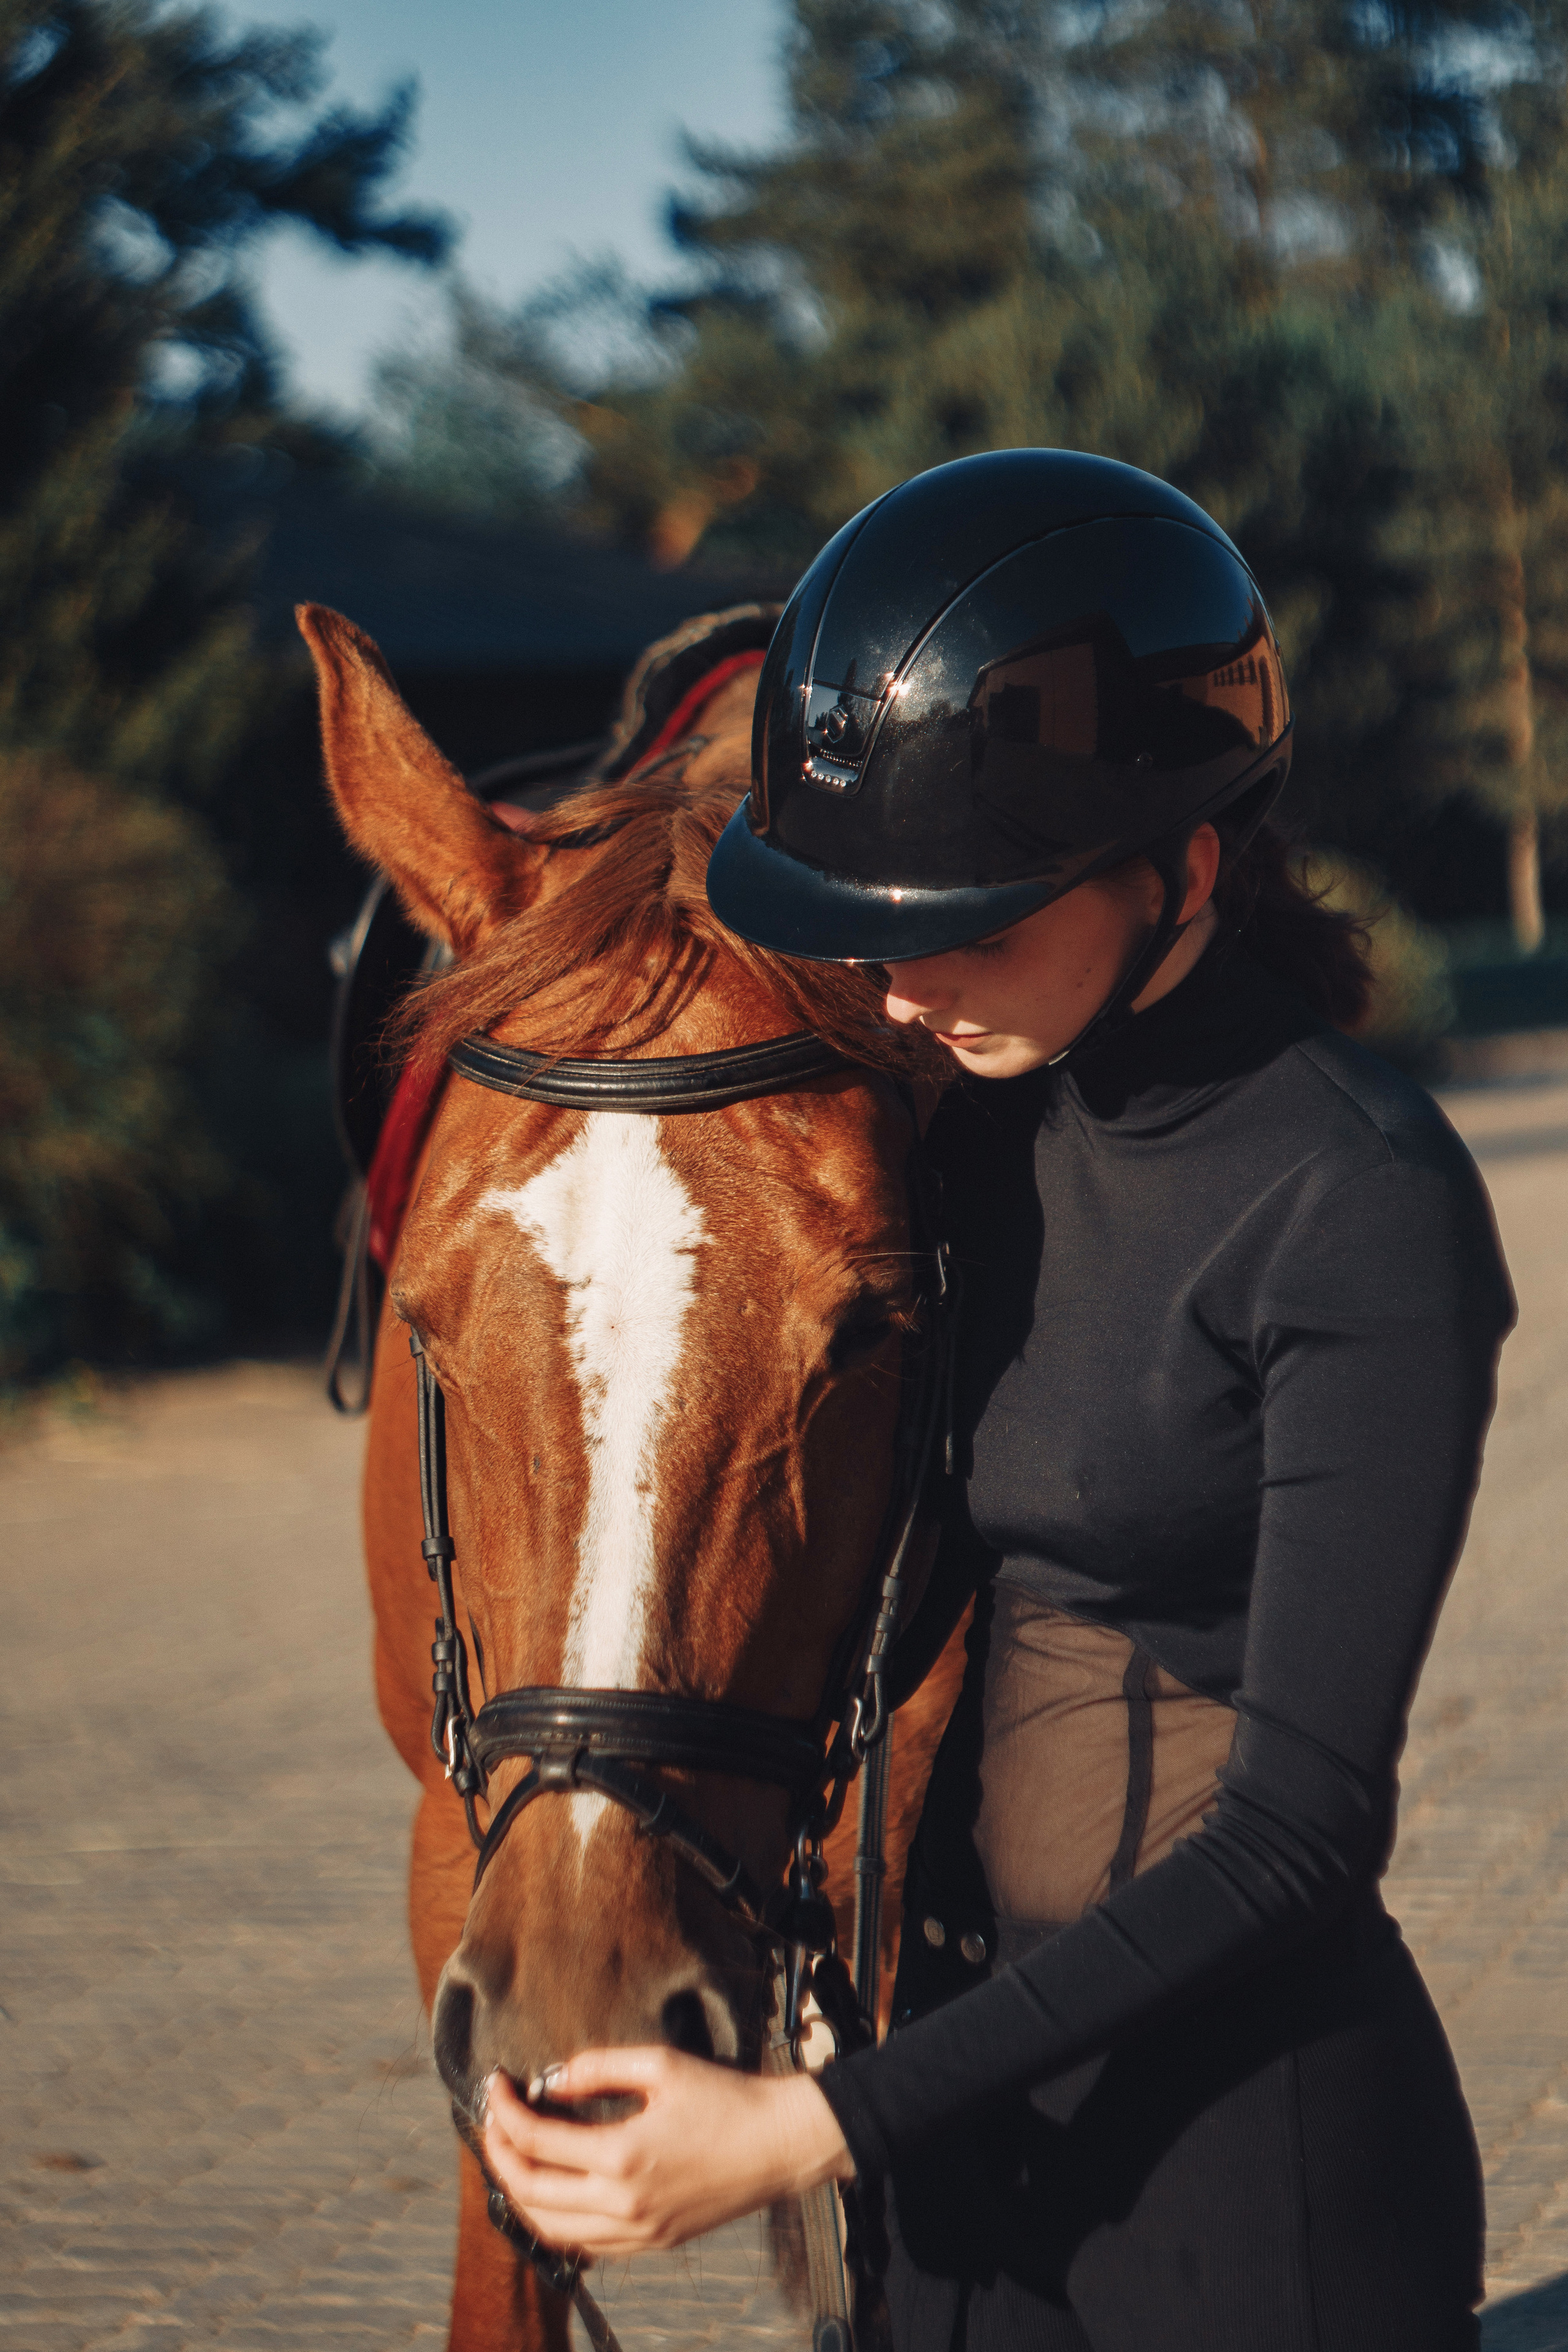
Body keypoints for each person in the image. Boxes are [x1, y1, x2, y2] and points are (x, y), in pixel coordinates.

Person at [480, 450, 1514, 2351]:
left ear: (1185, 867)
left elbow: (1296, 1837)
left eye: (972, 923)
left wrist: (797, 2129)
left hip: (1241, 2184)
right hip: (947, 2162)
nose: (896, 978)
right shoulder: (965, 1137)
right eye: (871, 920)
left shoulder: (1360, 1202)